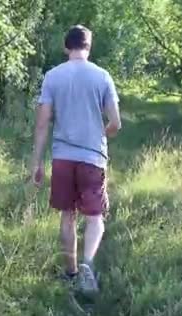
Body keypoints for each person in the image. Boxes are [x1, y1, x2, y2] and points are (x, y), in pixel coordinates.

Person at [30, 25, 121, 295]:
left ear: (65, 46)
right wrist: (99, 135)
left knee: (67, 216)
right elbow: (116, 123)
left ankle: (69, 273)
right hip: (92, 157)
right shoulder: (102, 76)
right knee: (94, 218)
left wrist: (36, 162)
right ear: (89, 47)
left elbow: (43, 123)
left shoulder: (52, 77)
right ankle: (87, 266)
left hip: (62, 158)